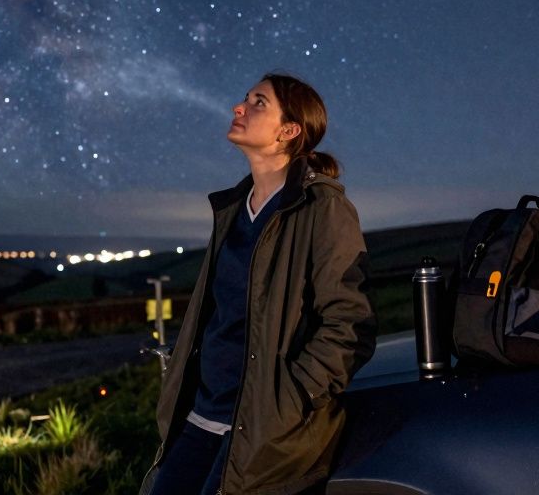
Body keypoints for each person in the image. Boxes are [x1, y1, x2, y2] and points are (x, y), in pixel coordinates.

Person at [142, 72, 377, 495]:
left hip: (262, 430)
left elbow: (349, 327)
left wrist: (286, 402)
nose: (240, 107)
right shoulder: (233, 208)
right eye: (245, 99)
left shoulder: (323, 208)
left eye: (258, 103)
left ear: (289, 131)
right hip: (202, 415)